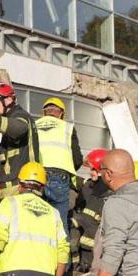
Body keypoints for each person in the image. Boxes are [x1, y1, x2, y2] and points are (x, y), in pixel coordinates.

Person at [35, 97, 83, 233]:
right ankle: (60, 253)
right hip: (59, 177)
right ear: (61, 113)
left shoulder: (33, 125)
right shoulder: (67, 127)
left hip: (36, 177)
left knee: (38, 222)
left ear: (44, 112)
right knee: (60, 224)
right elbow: (77, 159)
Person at [70, 148, 110, 272]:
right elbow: (73, 180)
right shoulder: (88, 186)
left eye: (93, 169)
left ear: (100, 170)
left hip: (97, 249)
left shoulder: (110, 193)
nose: (90, 172)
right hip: (83, 246)